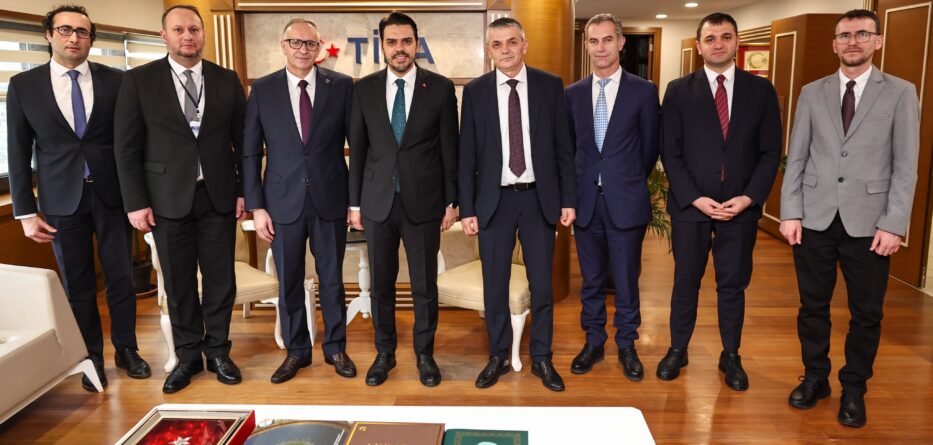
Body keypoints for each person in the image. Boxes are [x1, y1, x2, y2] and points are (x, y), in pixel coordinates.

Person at [779, 9, 919, 428]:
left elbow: (906, 165)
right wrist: (791, 212)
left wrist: (894, 223)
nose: (852, 41)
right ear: (834, 43)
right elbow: (797, 156)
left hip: (870, 224)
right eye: (844, 35)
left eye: (862, 34)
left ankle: (854, 388)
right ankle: (815, 378)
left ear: (878, 40)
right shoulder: (812, 92)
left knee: (866, 313)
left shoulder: (900, 92)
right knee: (812, 306)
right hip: (815, 218)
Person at [6, 4, 150, 391]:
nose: (74, 38)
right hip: (60, 201)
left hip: (112, 195)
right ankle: (91, 357)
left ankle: (127, 350)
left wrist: (139, 196)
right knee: (78, 285)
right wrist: (25, 212)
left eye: (83, 32)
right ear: (49, 35)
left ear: (91, 39)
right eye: (66, 30)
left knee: (121, 279)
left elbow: (133, 144)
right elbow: (18, 152)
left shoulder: (117, 80)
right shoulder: (23, 85)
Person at [114, 4, 247, 394]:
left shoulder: (226, 79)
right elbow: (126, 148)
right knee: (178, 282)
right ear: (164, 36)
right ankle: (188, 356)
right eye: (178, 30)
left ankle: (218, 351)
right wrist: (135, 202)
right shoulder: (139, 80)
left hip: (218, 197)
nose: (187, 36)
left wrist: (243, 191)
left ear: (203, 34)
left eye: (193, 29)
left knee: (221, 280)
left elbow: (243, 142)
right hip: (165, 200)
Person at [658, 12, 781, 391]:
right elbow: (670, 151)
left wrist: (749, 197)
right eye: (710, 38)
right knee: (685, 282)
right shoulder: (679, 90)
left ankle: (731, 355)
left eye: (726, 37)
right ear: (699, 45)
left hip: (739, 210)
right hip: (691, 208)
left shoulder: (761, 91)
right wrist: (694, 198)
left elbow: (770, 152)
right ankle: (678, 349)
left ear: (736, 42)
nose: (718, 44)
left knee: (732, 286)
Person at [459, 17, 576, 392]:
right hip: (494, 202)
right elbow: (466, 156)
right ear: (488, 50)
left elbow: (563, 148)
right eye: (497, 44)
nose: (505, 50)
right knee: (495, 284)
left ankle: (542, 357)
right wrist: (467, 209)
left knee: (542, 284)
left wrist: (568, 200)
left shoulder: (549, 85)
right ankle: (497, 355)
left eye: (512, 42)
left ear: (524, 45)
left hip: (539, 199)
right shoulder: (475, 92)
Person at [347, 11, 458, 388]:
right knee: (381, 284)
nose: (400, 48)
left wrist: (452, 201)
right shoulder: (363, 89)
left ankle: (425, 354)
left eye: (406, 41)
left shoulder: (439, 88)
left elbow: (450, 149)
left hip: (424, 203)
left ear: (416, 44)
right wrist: (355, 205)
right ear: (382, 46)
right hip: (377, 203)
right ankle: (385, 352)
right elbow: (357, 151)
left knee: (424, 285)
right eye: (392, 42)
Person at [243, 18, 356, 384]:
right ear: (283, 45)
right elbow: (250, 152)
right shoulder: (263, 89)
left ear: (319, 47)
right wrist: (258, 207)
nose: (303, 50)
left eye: (310, 44)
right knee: (289, 280)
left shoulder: (341, 86)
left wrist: (354, 202)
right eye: (296, 42)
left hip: (330, 199)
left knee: (332, 279)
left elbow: (357, 146)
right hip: (280, 202)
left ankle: (336, 347)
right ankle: (297, 351)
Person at [564, 13, 659, 381]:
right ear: (586, 45)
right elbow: (569, 149)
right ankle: (593, 341)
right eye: (593, 41)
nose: (600, 47)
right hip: (586, 203)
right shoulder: (572, 94)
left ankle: (627, 344)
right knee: (590, 281)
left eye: (607, 39)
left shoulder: (643, 91)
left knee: (625, 280)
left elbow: (649, 150)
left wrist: (623, 181)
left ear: (620, 42)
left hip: (626, 202)